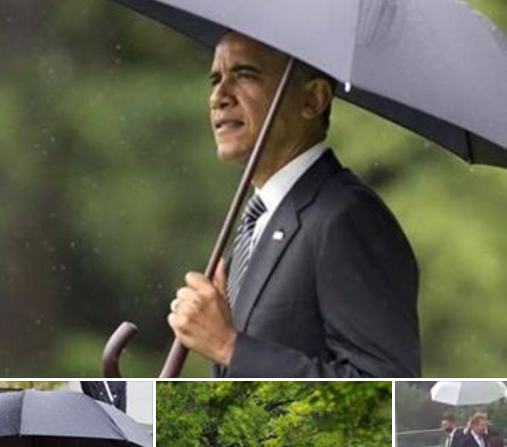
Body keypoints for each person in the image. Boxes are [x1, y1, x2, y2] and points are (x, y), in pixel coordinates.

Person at [167, 31, 420, 378]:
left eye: (244, 75)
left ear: (313, 99)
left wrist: (228, 346)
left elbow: (385, 384)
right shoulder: (256, 223)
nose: (218, 97)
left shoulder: (347, 217)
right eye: (215, 79)